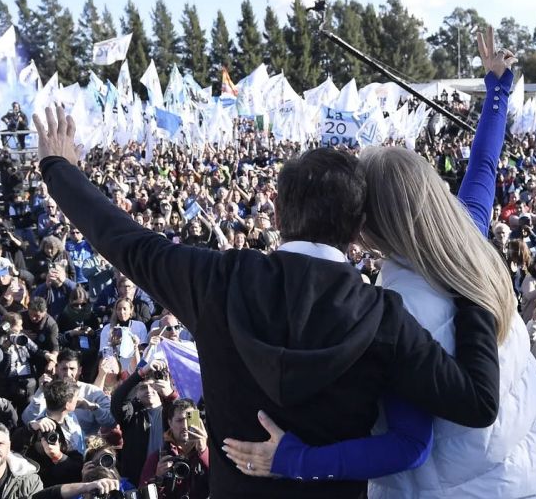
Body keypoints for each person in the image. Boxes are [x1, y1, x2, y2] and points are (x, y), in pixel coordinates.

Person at [35, 105, 502, 499]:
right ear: (358, 229)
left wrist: (60, 170)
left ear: (277, 215)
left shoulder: (216, 278)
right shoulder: (385, 316)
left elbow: (127, 243)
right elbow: (478, 403)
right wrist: (471, 285)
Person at [221, 28, 536, 498]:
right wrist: (498, 89)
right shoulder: (470, 239)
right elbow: (484, 163)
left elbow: (409, 447)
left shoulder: (395, 311)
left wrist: (297, 460)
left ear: (365, 224)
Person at [138, 398, 210, 499]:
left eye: (189, 419)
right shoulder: (159, 457)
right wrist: (158, 479)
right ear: (170, 423)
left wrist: (203, 453)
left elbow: (223, 484)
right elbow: (143, 496)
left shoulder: (210, 453)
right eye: (179, 420)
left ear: (198, 421)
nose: (185, 426)